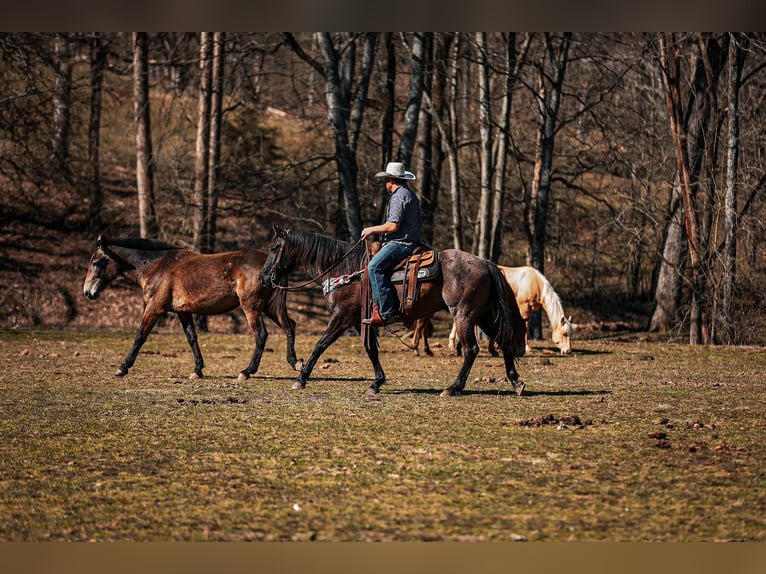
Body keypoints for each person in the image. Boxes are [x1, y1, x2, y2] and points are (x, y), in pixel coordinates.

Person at [361, 161, 423, 326]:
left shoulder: (398, 196)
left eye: (387, 180)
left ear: (391, 180)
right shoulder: (409, 194)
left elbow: (393, 226)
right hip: (411, 241)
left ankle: (387, 312)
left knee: (374, 267)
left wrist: (371, 230)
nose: (386, 183)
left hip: (401, 243)